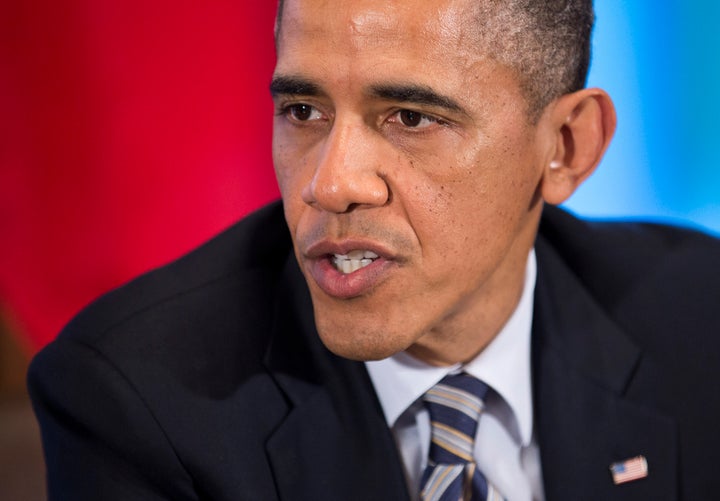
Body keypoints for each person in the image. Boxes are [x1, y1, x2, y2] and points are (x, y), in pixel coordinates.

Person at [29, 0, 720, 499]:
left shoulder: (701, 320)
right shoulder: (133, 400)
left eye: (411, 118)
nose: (329, 185)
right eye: (303, 111)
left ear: (567, 146)